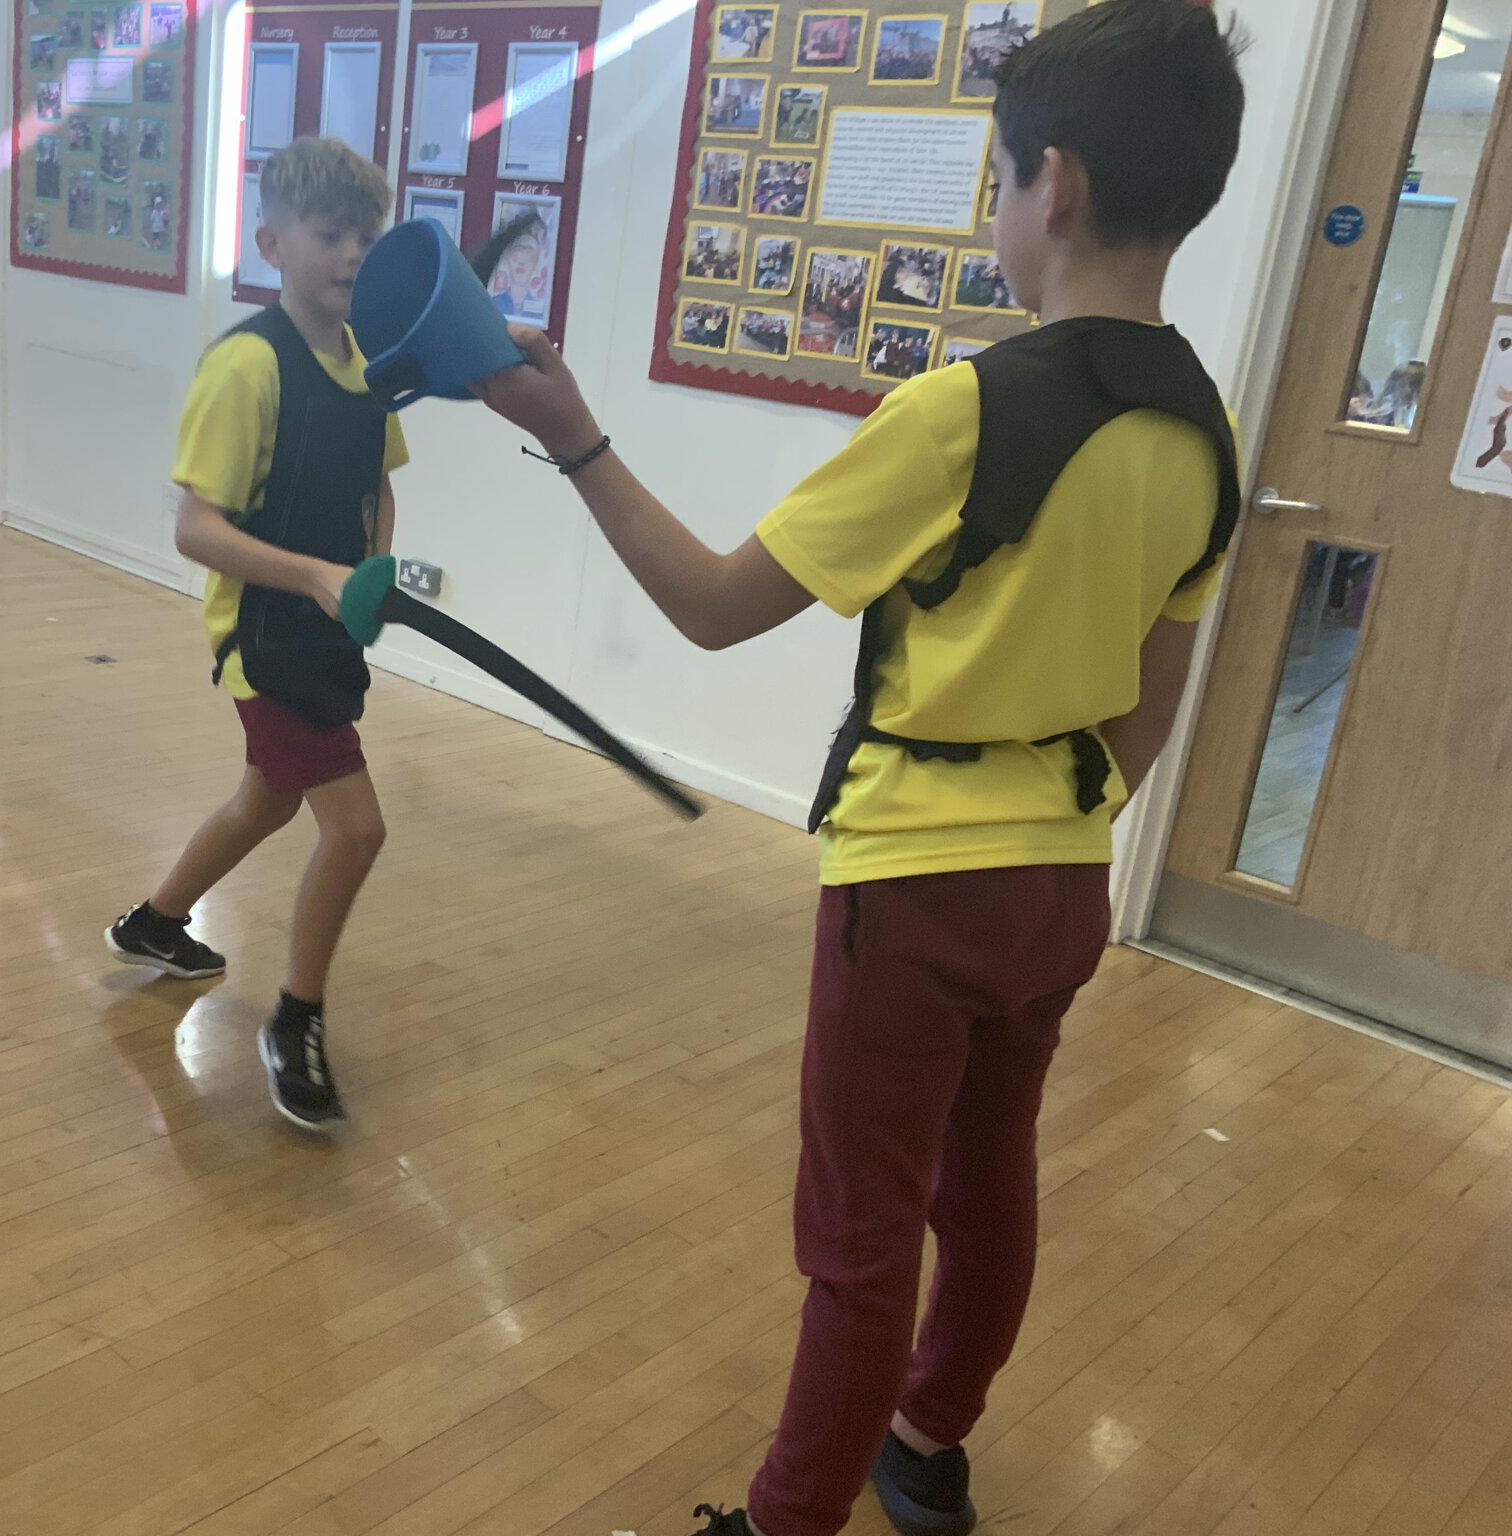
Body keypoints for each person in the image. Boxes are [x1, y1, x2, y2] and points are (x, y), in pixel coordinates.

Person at [473, 3, 1247, 1532]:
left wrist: (575, 440)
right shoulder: (1203, 438)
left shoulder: (959, 412)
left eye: (1002, 177)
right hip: (1062, 881)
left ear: (1061, 186)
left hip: (914, 887)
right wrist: (1054, 824)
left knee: (860, 1238)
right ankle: (932, 1440)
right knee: (991, 1175)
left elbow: (706, 607)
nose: (999, 210)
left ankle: (785, 1521)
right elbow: (1148, 719)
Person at [105, 136, 406, 1133]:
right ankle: (296, 1019)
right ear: (273, 241)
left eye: (366, 233)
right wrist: (316, 578)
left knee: (268, 801)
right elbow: (197, 528)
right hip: (265, 642)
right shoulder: (246, 367)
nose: (353, 253)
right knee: (355, 830)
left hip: (325, 634)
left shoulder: (367, 367)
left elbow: (378, 487)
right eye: (330, 234)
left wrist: (369, 572)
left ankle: (152, 922)